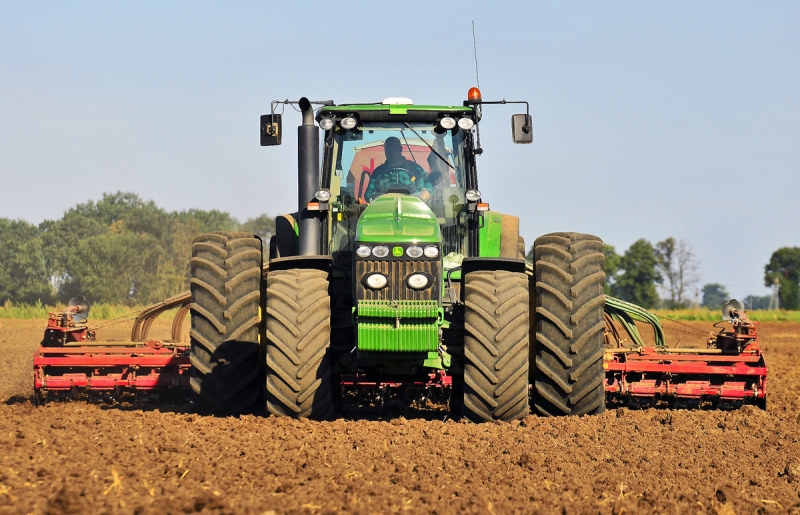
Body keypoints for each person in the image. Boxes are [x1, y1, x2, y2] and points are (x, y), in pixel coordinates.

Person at [364, 137, 431, 202]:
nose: (391, 151)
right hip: (385, 209)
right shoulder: (377, 173)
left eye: (394, 147)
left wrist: (425, 193)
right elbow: (369, 193)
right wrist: (377, 198)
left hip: (413, 208)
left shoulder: (416, 169)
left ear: (400, 149)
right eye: (388, 148)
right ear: (385, 150)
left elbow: (429, 184)